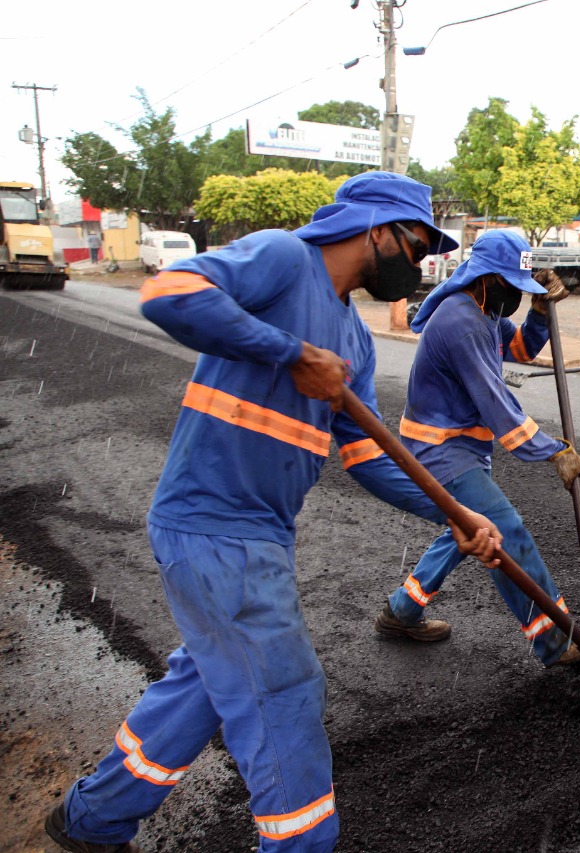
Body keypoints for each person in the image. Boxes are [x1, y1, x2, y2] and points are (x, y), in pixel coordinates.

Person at [44, 171, 505, 853]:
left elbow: (372, 458)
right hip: (210, 524)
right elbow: (168, 294)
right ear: (378, 229)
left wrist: (459, 515)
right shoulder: (285, 261)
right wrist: (287, 353)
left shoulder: (355, 337)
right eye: (418, 245)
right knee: (283, 692)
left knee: (208, 680)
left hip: (258, 534)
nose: (421, 263)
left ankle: (92, 818)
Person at [374, 229, 580, 666]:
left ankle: (402, 611)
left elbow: (520, 348)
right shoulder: (461, 321)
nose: (516, 294)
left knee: (465, 531)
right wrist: (554, 451)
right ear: (487, 278)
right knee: (503, 531)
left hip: (462, 446)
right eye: (514, 287)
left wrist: (538, 312)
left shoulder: (485, 312)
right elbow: (497, 404)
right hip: (439, 450)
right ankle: (554, 641)